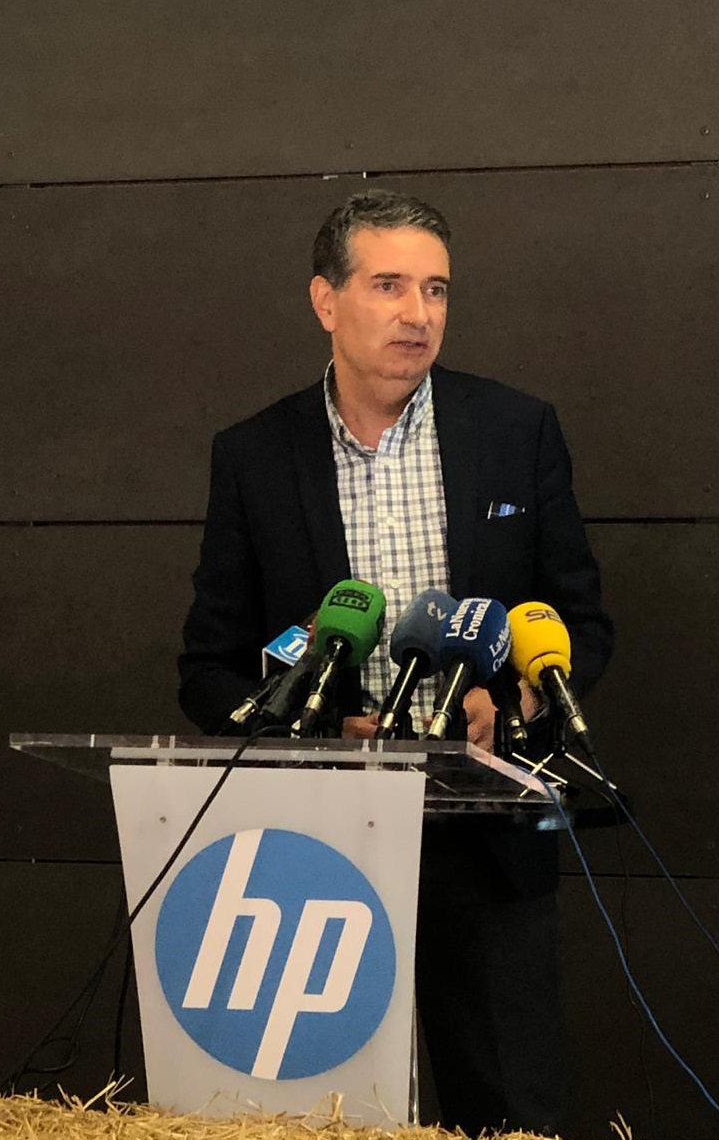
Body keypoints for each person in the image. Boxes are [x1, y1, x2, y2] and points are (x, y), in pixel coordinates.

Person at [178, 188, 613, 1134]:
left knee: (510, 1115)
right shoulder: (254, 456)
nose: (419, 313)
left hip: (486, 841)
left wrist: (514, 703)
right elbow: (210, 669)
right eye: (389, 286)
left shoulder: (517, 431)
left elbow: (581, 624)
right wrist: (315, 733)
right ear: (325, 301)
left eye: (437, 290)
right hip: (315, 853)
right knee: (317, 1119)